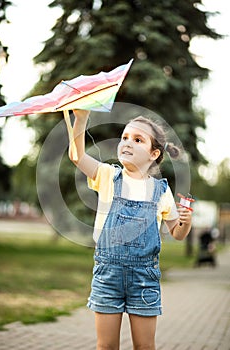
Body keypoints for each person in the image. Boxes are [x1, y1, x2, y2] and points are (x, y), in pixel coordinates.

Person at [65, 109, 192, 350]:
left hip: (144, 278)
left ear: (154, 154)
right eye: (124, 137)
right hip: (108, 275)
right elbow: (77, 156)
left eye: (137, 139)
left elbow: (177, 232)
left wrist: (186, 222)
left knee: (145, 346)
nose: (127, 143)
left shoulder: (161, 191)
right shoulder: (107, 176)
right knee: (106, 346)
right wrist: (81, 119)